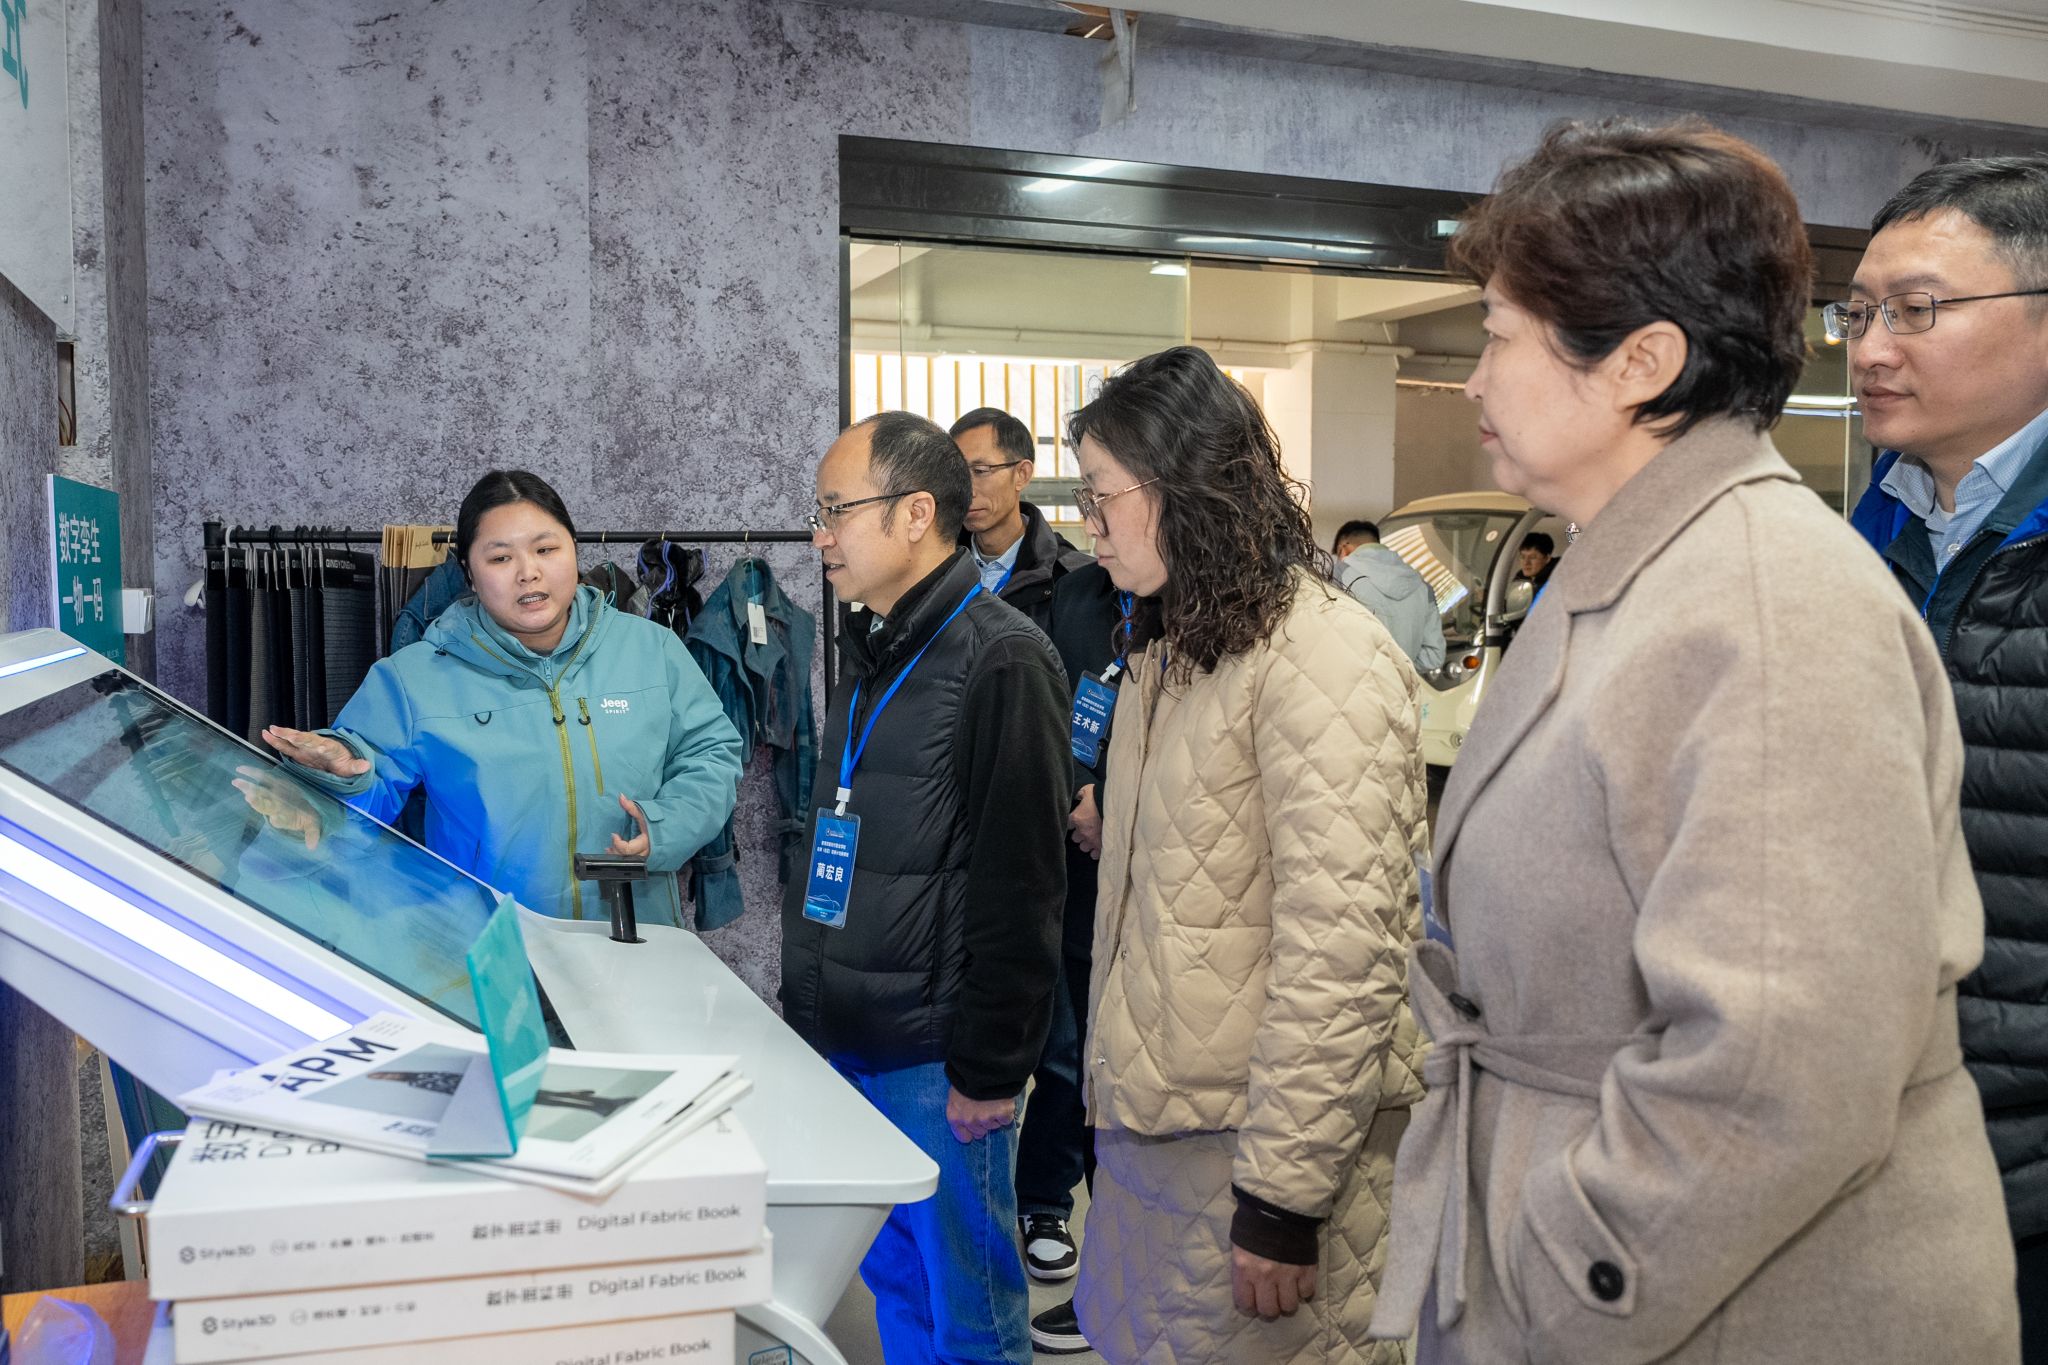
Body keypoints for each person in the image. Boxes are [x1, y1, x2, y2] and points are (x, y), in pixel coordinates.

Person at [1368, 118, 2019, 1364]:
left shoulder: (1767, 604)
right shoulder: (1637, 566)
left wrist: (1567, 1280)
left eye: (1498, 337)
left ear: (1640, 362)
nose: (1474, 381)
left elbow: (1779, 1069)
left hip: (1705, 1303)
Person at [1066, 346, 1429, 1365]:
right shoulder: (1176, 649)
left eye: (1100, 496)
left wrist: (1281, 1195)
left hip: (1256, 1160)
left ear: (1182, 485)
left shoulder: (1323, 655)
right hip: (1162, 1145)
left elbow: (1344, 950)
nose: (1089, 527)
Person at [781, 411, 1072, 1365]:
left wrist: (989, 1069)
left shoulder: (1001, 656)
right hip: (852, 1040)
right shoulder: (874, 648)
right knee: (898, 1286)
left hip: (937, 1061)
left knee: (972, 1315)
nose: (820, 534)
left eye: (836, 510)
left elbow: (1024, 887)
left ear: (914, 514)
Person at [1841, 154, 2048, 1360]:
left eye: (1915, 309)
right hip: (1891, 1140)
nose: (1870, 348)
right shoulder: (1863, 535)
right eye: (1856, 313)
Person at [250, 470, 744, 927]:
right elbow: (368, 784)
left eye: (546, 549)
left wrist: (664, 828)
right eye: (501, 558)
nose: (528, 573)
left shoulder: (652, 649)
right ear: (469, 572)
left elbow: (712, 752)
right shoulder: (414, 677)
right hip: (491, 948)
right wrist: (341, 776)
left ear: (573, 551)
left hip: (633, 939)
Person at [951, 406, 1093, 628]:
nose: (966, 490)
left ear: (1022, 474)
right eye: (956, 474)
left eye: (980, 471)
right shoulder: (938, 567)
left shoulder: (1073, 578)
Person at [1334, 520, 1447, 672]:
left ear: (1344, 548)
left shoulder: (1338, 575)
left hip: (1352, 681)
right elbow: (1434, 656)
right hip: (1400, 685)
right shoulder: (1422, 587)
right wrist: (1397, 668)